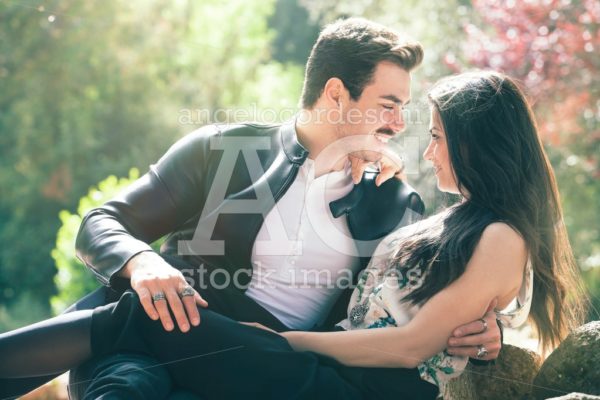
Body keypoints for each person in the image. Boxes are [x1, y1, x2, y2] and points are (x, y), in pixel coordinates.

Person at [0, 71, 587, 400]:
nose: (424, 148)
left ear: (477, 144)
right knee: (146, 311)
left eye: (436, 135)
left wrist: (277, 342)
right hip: (334, 371)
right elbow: (438, 309)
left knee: (141, 315)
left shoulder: (503, 237)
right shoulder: (457, 220)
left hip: (361, 388)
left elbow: (409, 346)